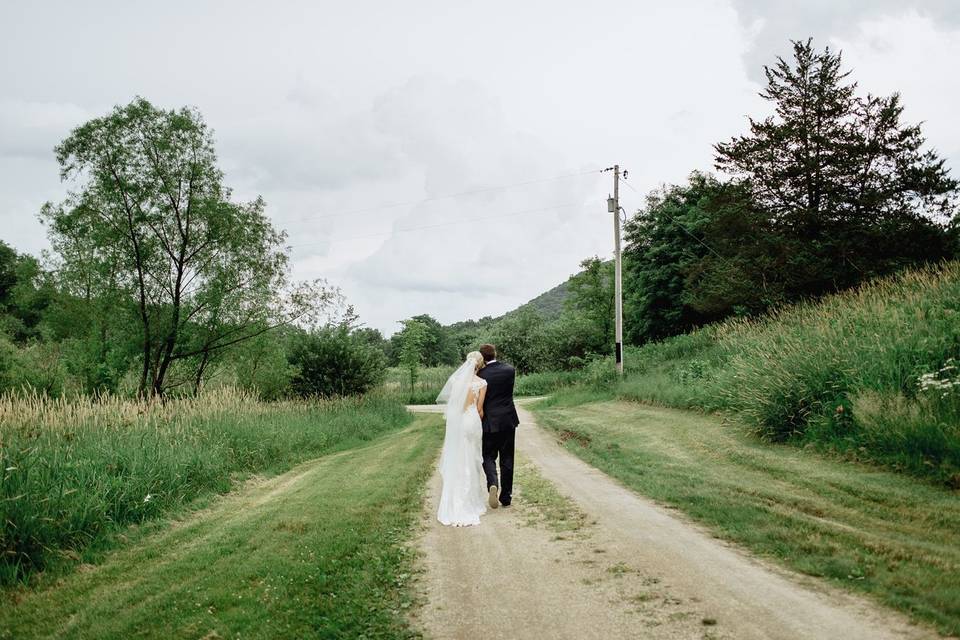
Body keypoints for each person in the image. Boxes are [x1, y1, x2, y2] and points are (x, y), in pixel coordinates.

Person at [435, 351, 489, 526]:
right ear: (479, 365)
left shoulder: (455, 381)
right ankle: (470, 501)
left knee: (458, 458)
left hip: (458, 422)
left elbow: (453, 406)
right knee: (472, 459)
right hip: (472, 420)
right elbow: (480, 409)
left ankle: (454, 501)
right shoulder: (481, 383)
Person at [476, 343, 519, 508]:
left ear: (482, 358)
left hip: (489, 422)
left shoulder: (480, 374)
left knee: (487, 456)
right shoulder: (510, 370)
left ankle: (492, 483)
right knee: (507, 458)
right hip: (508, 420)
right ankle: (506, 497)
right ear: (495, 354)